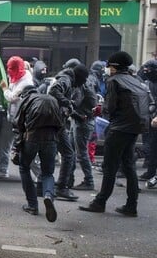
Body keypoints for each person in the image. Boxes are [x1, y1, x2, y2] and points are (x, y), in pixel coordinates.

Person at [80, 52, 150, 217]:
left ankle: (100, 202)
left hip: (118, 129)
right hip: (134, 128)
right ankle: (131, 205)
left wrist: (99, 109)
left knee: (109, 167)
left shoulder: (113, 81)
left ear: (115, 67)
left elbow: (110, 107)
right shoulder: (136, 81)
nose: (107, 69)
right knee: (129, 166)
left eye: (109, 66)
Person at [13, 86, 63, 222]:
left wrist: (16, 148)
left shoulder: (27, 100)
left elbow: (18, 125)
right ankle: (48, 195)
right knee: (48, 173)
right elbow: (61, 123)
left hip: (32, 138)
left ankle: (32, 205)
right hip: (51, 139)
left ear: (24, 94)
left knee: (24, 167)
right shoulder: (52, 100)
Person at [48, 61, 89, 201]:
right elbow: (54, 91)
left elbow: (64, 105)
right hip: (55, 122)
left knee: (49, 152)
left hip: (55, 120)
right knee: (68, 153)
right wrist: (67, 102)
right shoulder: (66, 79)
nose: (83, 84)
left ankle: (48, 185)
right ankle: (61, 187)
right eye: (83, 80)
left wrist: (77, 115)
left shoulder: (68, 80)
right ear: (78, 76)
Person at [0, 56, 34, 180]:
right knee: (4, 145)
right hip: (11, 117)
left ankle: (41, 175)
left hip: (22, 120)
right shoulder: (16, 76)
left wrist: (4, 88)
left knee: (27, 148)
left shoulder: (26, 82)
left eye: (12, 69)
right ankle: (2, 169)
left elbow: (11, 97)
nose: (10, 71)